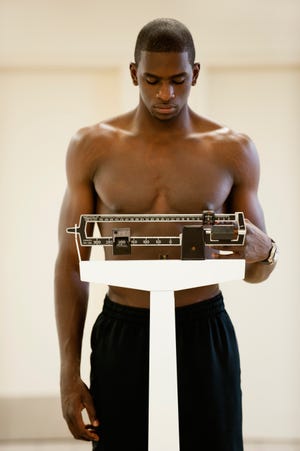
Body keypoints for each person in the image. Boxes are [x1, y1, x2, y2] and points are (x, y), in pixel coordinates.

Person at [54, 18, 278, 451]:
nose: (165, 94)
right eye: (153, 80)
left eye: (178, 80)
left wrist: (266, 253)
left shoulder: (233, 149)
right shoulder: (92, 146)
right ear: (134, 73)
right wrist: (68, 371)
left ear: (194, 73)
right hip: (124, 327)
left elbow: (255, 270)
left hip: (202, 326)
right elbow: (70, 261)